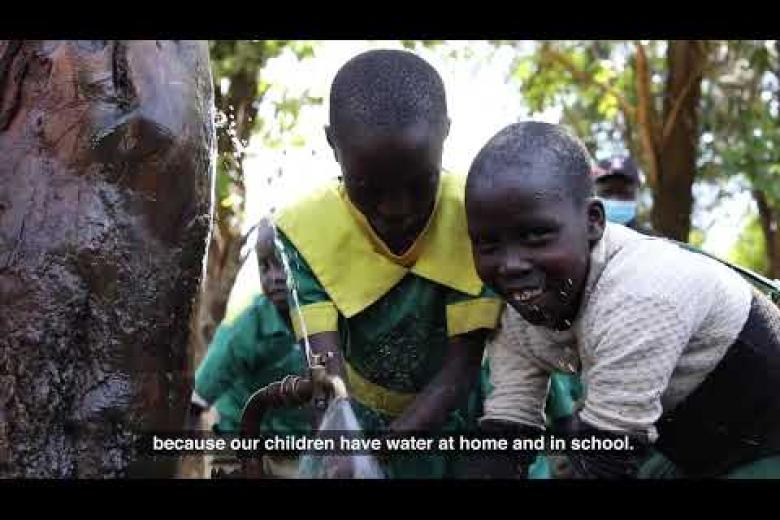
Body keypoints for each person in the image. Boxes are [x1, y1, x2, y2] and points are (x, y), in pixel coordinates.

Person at [464, 121, 780, 478]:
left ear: (593, 222)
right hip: (695, 440)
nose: (510, 266)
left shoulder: (640, 293)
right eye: (488, 245)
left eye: (536, 236)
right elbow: (509, 428)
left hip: (765, 437)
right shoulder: (520, 317)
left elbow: (606, 459)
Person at [274, 49, 503, 478]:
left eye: (420, 185)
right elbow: (325, 372)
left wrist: (380, 454)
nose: (398, 209)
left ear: (446, 134)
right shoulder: (308, 230)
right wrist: (345, 445)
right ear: (331, 143)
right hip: (352, 421)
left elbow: (461, 368)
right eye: (369, 186)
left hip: (455, 422)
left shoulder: (471, 216)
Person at [189, 218, 309, 478]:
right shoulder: (245, 328)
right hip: (240, 438)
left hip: (297, 446)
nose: (274, 278)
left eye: (284, 265)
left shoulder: (324, 321)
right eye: (265, 267)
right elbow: (197, 400)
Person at [592, 156, 652, 234]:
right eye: (607, 192)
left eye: (624, 193)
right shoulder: (576, 241)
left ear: (637, 195)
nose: (615, 199)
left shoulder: (655, 243)